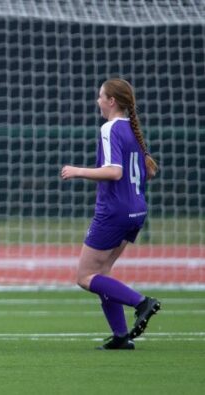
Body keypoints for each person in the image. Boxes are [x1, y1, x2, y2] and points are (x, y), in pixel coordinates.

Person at [61, 78, 161, 350]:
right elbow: (149, 171)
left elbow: (115, 171)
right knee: (102, 272)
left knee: (85, 277)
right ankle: (120, 336)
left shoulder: (110, 128)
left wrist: (77, 171)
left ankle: (142, 302)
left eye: (100, 96)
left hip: (114, 212)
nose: (98, 101)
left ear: (111, 101)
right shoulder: (131, 129)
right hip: (137, 210)